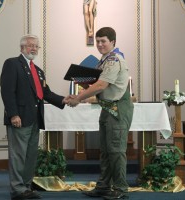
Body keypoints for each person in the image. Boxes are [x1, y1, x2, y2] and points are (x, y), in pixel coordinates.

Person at [66, 27, 133, 199]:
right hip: (107, 107)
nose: (100, 44)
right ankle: (104, 186)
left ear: (113, 42)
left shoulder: (113, 60)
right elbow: (97, 86)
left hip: (118, 108)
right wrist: (81, 83)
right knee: (106, 150)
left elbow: (101, 85)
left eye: (103, 41)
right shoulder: (102, 61)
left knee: (116, 150)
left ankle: (120, 189)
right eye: (98, 41)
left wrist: (79, 98)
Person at [0, 34, 67, 200]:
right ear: (22, 47)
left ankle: (26, 186)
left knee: (30, 155)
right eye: (30, 45)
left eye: (36, 46)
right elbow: (7, 91)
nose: (33, 49)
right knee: (18, 155)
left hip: (36, 119)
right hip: (19, 118)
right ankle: (17, 189)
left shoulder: (38, 71)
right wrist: (13, 114)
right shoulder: (12, 64)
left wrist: (65, 100)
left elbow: (45, 93)